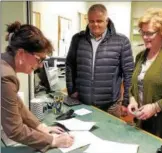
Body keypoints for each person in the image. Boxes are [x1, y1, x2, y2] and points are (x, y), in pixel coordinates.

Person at [1, 21, 74, 152]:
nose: (40, 65)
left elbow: (18, 104)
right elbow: (15, 130)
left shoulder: (5, 66)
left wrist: (40, 127)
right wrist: (53, 140)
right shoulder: (5, 77)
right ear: (21, 53)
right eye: (39, 59)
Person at [66, 4, 134, 117]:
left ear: (107, 21)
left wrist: (126, 101)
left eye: (99, 21)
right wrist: (71, 90)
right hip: (82, 103)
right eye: (91, 21)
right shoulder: (77, 39)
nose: (95, 24)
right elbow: (70, 65)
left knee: (109, 134)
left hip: (111, 106)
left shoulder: (121, 41)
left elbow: (129, 73)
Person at [128, 8, 162, 139]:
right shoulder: (140, 56)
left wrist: (156, 107)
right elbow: (133, 85)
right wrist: (132, 99)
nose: (144, 37)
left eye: (149, 33)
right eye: (142, 32)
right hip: (142, 124)